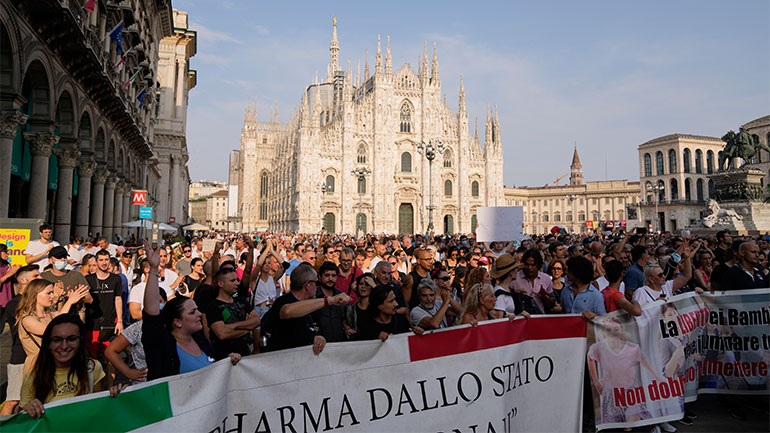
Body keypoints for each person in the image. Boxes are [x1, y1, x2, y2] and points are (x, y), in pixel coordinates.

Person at [141, 241, 241, 380]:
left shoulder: (200, 340)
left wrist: (227, 360)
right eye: (192, 312)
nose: (199, 314)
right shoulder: (163, 345)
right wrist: (153, 269)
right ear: (177, 321)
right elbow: (152, 315)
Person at [19, 315, 123, 419]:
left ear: (80, 341)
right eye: (57, 340)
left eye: (71, 339)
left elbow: (99, 408)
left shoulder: (92, 368)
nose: (64, 346)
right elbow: (21, 421)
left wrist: (117, 396)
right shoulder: (34, 377)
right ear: (48, 343)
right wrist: (27, 410)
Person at [259, 263, 350, 353]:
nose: (317, 286)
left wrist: (316, 337)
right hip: (282, 357)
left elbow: (304, 329)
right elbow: (287, 311)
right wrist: (329, 300)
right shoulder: (283, 301)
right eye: (316, 283)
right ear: (308, 285)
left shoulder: (307, 305)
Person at [16, 279, 89, 376]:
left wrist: (80, 306)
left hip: (55, 364)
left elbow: (72, 325)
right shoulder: (27, 319)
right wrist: (70, 302)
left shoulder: (51, 312)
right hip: (38, 367)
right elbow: (53, 329)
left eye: (52, 292)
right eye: (48, 293)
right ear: (35, 295)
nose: (52, 296)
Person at [105, 289, 168, 385]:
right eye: (152, 302)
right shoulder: (138, 327)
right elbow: (110, 351)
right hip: (145, 383)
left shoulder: (173, 325)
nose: (156, 305)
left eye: (159, 301)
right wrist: (127, 371)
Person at [0, 265, 39, 416]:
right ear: (23, 280)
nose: (40, 278)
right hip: (20, 357)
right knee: (13, 400)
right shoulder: (14, 304)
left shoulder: (38, 299)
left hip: (36, 357)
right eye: (35, 276)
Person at [205, 268, 261, 359]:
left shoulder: (241, 301)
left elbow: (257, 321)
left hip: (245, 354)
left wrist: (232, 326)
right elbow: (222, 334)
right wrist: (247, 329)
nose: (237, 283)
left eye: (237, 280)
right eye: (232, 281)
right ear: (221, 284)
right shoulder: (213, 306)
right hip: (225, 358)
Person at [85, 249, 125, 359]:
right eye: (101, 260)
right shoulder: (88, 279)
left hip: (110, 322)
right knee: (92, 356)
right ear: (96, 261)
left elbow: (118, 299)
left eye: (106, 260)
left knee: (111, 356)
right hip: (92, 323)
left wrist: (120, 321)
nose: (104, 263)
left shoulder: (116, 278)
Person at [632, 241, 693, 307]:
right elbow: (638, 312)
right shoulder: (641, 292)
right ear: (651, 279)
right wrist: (656, 305)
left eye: (663, 274)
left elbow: (686, 276)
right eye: (660, 275)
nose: (664, 276)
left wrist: (687, 258)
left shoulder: (667, 286)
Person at [356, 284, 423, 341]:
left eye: (395, 300)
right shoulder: (365, 325)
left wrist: (416, 333)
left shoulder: (401, 320)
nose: (396, 304)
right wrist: (376, 336)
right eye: (391, 301)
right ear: (379, 305)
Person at [461, 283, 529, 326]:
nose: (495, 299)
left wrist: (517, 318)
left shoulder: (494, 316)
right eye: (492, 296)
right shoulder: (469, 318)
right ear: (482, 300)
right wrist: (470, 328)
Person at [562, 255, 607, 320]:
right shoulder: (566, 290)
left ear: (576, 273)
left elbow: (603, 319)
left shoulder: (596, 296)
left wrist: (594, 316)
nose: (566, 273)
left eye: (568, 271)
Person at [512, 249, 556, 314]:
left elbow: (552, 303)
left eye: (533, 265)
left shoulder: (546, 279)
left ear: (538, 265)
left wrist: (545, 297)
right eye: (527, 264)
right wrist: (514, 294)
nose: (529, 268)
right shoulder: (514, 278)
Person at [312, 261, 347, 342]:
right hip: (317, 344)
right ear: (320, 277)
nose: (330, 279)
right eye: (327, 275)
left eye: (333, 276)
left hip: (339, 343)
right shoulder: (313, 296)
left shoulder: (341, 296)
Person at [343, 273, 375, 339]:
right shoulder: (351, 308)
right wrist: (347, 330)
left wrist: (374, 286)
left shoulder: (377, 306)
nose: (363, 286)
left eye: (367, 284)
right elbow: (347, 324)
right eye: (361, 284)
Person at [0, 244, 21, 332]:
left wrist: (15, 273)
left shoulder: (7, 266)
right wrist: (8, 274)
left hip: (7, 300)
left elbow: (14, 283)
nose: (7, 254)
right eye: (5, 251)